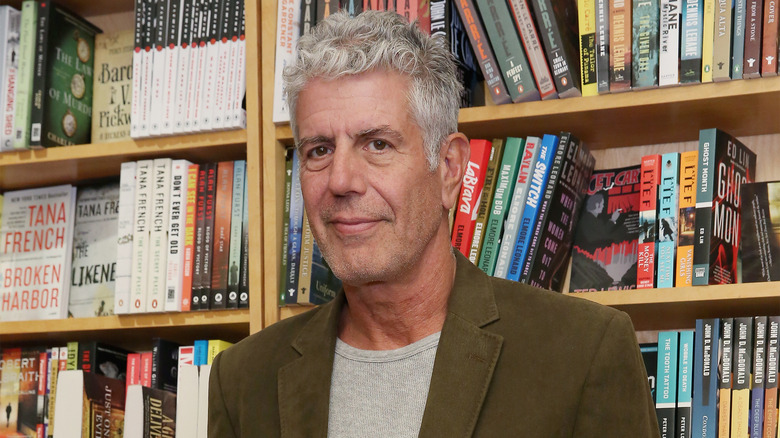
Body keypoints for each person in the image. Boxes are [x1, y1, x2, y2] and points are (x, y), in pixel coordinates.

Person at [209, 10, 660, 438]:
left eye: (378, 144)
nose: (341, 180)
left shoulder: (583, 351)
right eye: (319, 151)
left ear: (449, 168)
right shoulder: (244, 381)